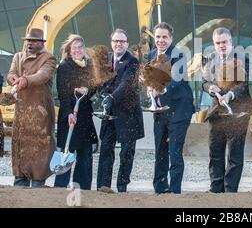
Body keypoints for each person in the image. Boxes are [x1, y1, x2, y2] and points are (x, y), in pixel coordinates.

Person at [202, 27, 252, 193]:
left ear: (230, 42)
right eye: (218, 43)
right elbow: (204, 82)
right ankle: (215, 190)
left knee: (235, 156)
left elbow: (244, 85)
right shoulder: (210, 59)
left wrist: (230, 95)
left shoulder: (243, 59)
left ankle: (230, 191)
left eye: (224, 42)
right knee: (215, 152)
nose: (221, 45)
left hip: (237, 113)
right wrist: (211, 88)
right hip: (216, 113)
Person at [148, 22, 195, 194]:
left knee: (174, 152)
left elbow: (176, 79)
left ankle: (175, 192)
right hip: (160, 112)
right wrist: (149, 89)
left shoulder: (179, 54)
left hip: (179, 111)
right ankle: (160, 188)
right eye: (158, 37)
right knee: (160, 150)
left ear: (171, 38)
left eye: (164, 37)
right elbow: (148, 78)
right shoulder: (151, 54)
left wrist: (160, 87)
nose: (161, 40)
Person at [7, 28, 56, 187]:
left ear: (41, 43)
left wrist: (25, 80)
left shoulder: (49, 58)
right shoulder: (17, 56)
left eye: (34, 41)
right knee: (20, 145)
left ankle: (38, 181)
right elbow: (11, 73)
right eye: (28, 40)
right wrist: (12, 77)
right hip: (21, 113)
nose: (29, 43)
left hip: (40, 113)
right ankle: (20, 178)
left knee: (40, 148)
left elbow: (43, 75)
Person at [97, 29, 144, 193]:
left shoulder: (133, 62)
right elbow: (100, 79)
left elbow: (126, 84)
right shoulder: (106, 60)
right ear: (111, 42)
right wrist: (101, 92)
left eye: (122, 41)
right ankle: (103, 186)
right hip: (109, 114)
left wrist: (111, 97)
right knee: (106, 149)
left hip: (128, 114)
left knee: (126, 153)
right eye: (116, 41)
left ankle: (122, 186)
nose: (119, 44)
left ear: (127, 44)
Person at [54, 34, 98, 190]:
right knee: (67, 151)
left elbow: (94, 86)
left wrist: (88, 90)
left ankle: (83, 186)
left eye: (80, 47)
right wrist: (69, 113)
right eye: (74, 48)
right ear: (69, 50)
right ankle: (60, 186)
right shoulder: (64, 67)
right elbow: (62, 93)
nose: (78, 50)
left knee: (85, 153)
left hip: (85, 115)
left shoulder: (89, 66)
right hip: (69, 115)